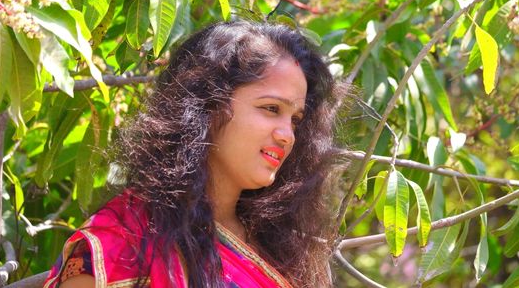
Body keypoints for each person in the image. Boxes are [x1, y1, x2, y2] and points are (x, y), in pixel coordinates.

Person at [44, 20, 343, 288]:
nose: (287, 135)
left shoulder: (281, 248)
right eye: (271, 109)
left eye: (295, 120)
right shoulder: (119, 247)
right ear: (207, 107)